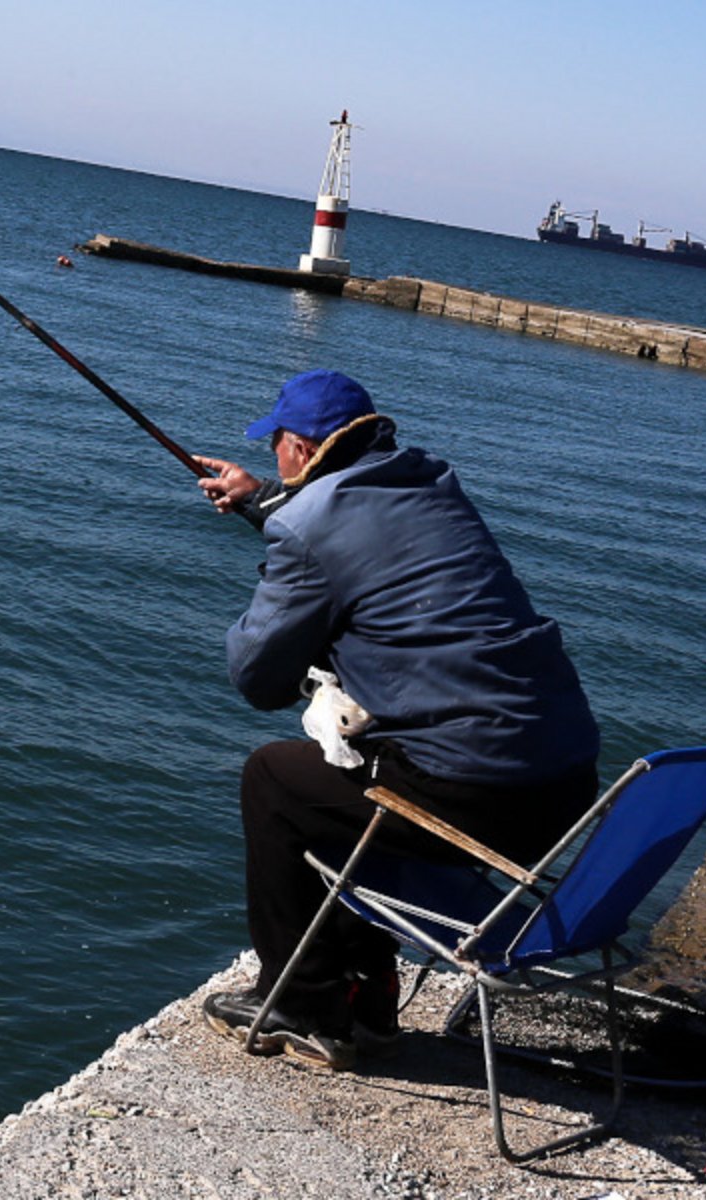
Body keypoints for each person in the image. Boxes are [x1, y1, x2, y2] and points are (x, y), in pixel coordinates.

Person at [194, 369, 601, 1070]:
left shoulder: (305, 529)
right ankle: (371, 996)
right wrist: (266, 502)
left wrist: (280, 549)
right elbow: (367, 540)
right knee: (359, 765)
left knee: (277, 780)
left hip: (481, 804)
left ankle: (307, 1003)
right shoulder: (430, 484)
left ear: (294, 446)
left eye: (277, 452)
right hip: (564, 789)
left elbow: (257, 679)